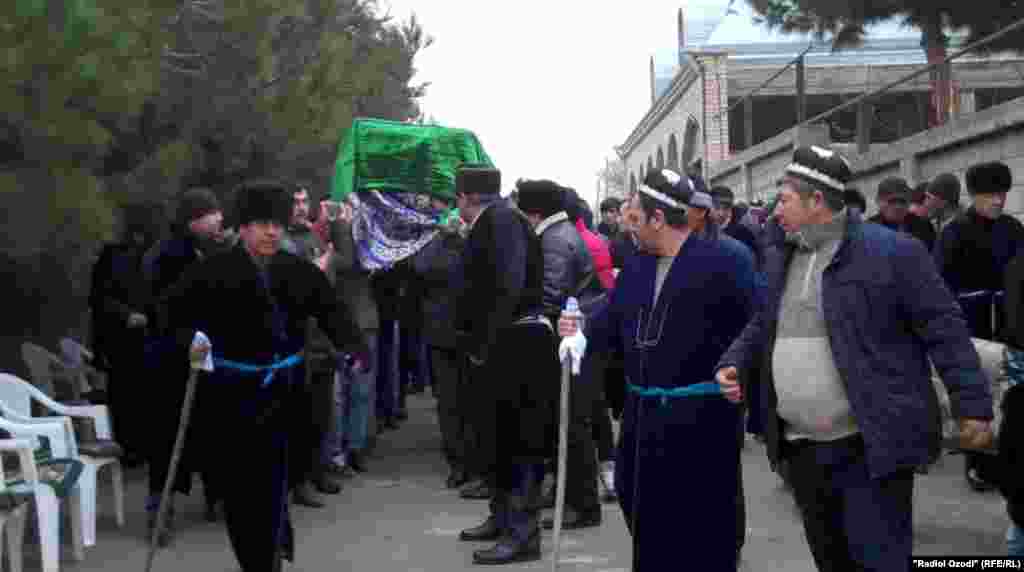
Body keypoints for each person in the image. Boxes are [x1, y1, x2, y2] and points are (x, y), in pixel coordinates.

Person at [716, 145, 995, 572]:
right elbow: (763, 324)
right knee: (831, 561)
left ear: (816, 200)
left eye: (785, 198)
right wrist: (734, 360)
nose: (775, 211)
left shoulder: (892, 254)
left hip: (870, 448)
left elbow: (945, 329)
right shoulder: (783, 257)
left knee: (878, 561)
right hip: (802, 452)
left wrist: (972, 406)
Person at [161, 180, 370, 572]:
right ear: (242, 227)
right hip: (233, 399)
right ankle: (261, 560)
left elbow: (332, 311)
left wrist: (355, 346)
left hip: (289, 396)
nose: (271, 231)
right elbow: (170, 316)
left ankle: (273, 545)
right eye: (261, 224)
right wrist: (192, 340)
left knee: (276, 485)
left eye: (276, 223)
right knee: (243, 494)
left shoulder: (299, 271)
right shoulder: (212, 272)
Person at [560, 168, 758, 571]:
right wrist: (580, 332)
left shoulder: (727, 260)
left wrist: (741, 371)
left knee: (703, 530)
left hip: (701, 420)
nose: (630, 226)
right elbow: (615, 319)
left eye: (637, 218)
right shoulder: (638, 264)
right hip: (641, 418)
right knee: (643, 520)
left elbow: (758, 325)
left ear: (658, 218)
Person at [454, 165, 558, 565]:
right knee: (496, 438)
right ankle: (501, 517)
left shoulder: (502, 221)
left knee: (520, 441)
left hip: (516, 343)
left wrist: (486, 341)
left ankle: (522, 532)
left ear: (465, 197)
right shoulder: (498, 220)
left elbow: (509, 284)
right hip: (504, 341)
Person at [935, 162, 1024, 492]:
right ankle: (977, 463)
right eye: (990, 195)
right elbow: (939, 284)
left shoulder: (1014, 230)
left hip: (1009, 322)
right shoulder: (953, 233)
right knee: (978, 396)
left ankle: (1007, 461)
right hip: (970, 324)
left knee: (1010, 396)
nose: (998, 201)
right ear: (974, 196)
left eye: (1002, 194)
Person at [143, 187, 226, 538]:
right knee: (169, 434)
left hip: (201, 353)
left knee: (211, 428)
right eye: (213, 213)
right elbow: (167, 307)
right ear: (195, 219)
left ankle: (216, 496)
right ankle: (160, 511)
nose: (220, 218)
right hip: (174, 358)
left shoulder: (203, 250)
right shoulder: (169, 255)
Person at [868, 176, 936, 251]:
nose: (898, 206)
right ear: (878, 201)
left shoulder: (923, 226)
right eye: (892, 201)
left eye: (902, 201)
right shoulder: (867, 230)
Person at [710, 186, 759, 259]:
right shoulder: (700, 232)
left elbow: (754, 260)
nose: (721, 213)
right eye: (716, 207)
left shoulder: (743, 233)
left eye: (726, 208)